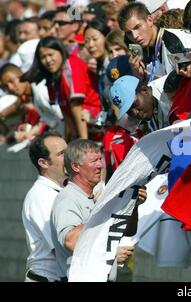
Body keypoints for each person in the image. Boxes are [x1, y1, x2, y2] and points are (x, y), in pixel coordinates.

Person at [50, 139, 146, 278]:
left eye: (100, 159)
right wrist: (104, 210)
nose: (100, 165)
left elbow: (128, 230)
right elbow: (71, 241)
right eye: (94, 161)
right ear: (76, 166)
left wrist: (131, 204)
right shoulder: (68, 198)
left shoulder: (93, 195)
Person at [22, 37, 102, 141]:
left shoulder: (71, 64)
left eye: (51, 55)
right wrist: (71, 139)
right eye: (43, 57)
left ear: (61, 51)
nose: (48, 60)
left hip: (97, 120)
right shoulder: (52, 78)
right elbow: (65, 110)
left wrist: (82, 141)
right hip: (84, 126)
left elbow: (76, 106)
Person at [22, 132, 68, 282]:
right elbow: (61, 247)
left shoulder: (61, 191)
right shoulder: (41, 196)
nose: (70, 156)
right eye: (62, 153)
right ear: (43, 163)